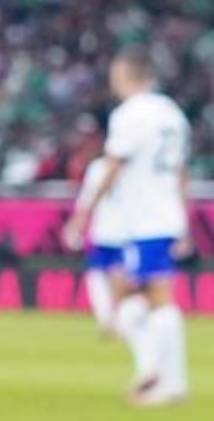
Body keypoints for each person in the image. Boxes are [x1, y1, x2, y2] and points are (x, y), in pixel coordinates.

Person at [65, 49, 194, 406]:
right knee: (139, 299)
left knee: (153, 296)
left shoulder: (130, 115)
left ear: (124, 77)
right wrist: (182, 220)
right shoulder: (172, 114)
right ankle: (159, 375)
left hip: (144, 220)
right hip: (164, 215)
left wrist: (83, 213)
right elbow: (182, 172)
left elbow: (113, 166)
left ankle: (169, 382)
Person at [70, 148, 137, 336]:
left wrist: (78, 222)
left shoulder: (98, 167)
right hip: (122, 229)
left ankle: (111, 320)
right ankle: (114, 320)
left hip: (113, 229)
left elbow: (86, 198)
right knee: (109, 274)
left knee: (104, 275)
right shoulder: (136, 167)